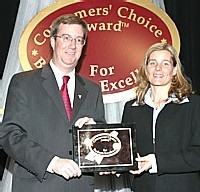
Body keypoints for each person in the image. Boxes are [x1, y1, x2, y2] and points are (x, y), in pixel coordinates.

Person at [0, 14, 105, 192]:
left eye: (78, 40)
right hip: (37, 186)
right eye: (66, 38)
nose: (72, 45)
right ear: (52, 41)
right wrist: (52, 162)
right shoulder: (23, 82)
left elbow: (103, 140)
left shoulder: (93, 90)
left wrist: (94, 130)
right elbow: (9, 135)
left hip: (80, 187)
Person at [122, 42, 200, 192]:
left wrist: (156, 162)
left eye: (165, 63)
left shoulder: (194, 105)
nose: (158, 69)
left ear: (174, 69)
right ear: (146, 69)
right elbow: (127, 153)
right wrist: (110, 161)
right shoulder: (131, 108)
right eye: (153, 63)